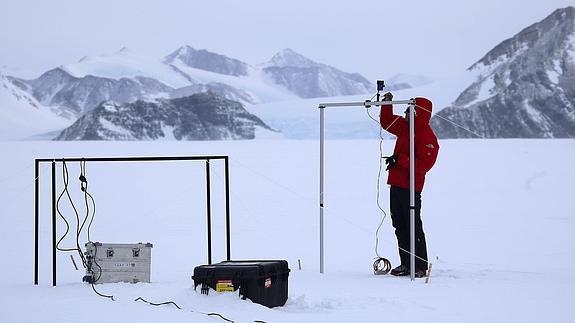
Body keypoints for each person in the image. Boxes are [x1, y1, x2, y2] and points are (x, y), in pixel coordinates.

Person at [379, 92, 439, 278]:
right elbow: (387, 122)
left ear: (417, 113)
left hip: (411, 187)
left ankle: (420, 266)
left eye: (408, 110)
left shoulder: (427, 136)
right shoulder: (405, 128)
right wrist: (387, 104)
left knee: (413, 225)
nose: (405, 114)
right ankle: (406, 264)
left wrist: (402, 159)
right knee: (399, 224)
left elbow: (424, 165)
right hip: (396, 184)